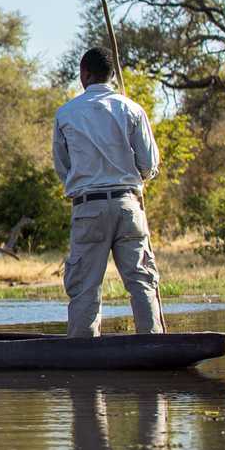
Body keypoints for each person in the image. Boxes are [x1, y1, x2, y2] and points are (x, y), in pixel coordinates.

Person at [52, 46, 163, 338]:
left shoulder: (66, 114)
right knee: (141, 281)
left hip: (88, 207)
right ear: (113, 75)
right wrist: (133, 178)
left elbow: (63, 167)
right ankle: (153, 342)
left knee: (85, 286)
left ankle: (83, 350)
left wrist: (84, 181)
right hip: (128, 205)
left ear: (84, 74)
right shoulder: (132, 109)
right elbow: (149, 164)